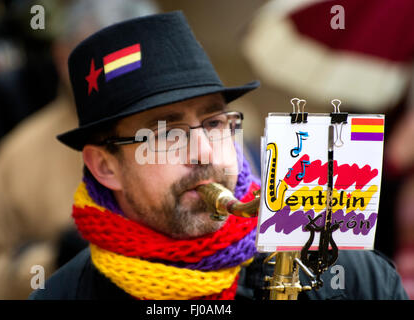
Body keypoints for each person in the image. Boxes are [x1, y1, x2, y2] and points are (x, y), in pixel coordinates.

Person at [29, 11, 408, 300]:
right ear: (105, 167)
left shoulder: (352, 277)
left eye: (215, 123)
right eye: (166, 133)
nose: (205, 153)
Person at [0, 0, 159, 299]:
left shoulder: (199, 134)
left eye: (129, 56)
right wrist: (56, 260)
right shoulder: (17, 158)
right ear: (60, 55)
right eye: (99, 60)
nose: (116, 74)